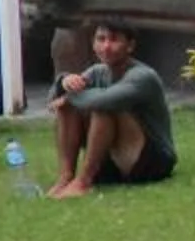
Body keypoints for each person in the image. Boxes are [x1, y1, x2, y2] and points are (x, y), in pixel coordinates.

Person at [48, 17, 178, 195]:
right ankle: (66, 177)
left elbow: (106, 100)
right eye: (101, 39)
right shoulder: (97, 71)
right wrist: (64, 82)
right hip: (114, 160)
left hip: (152, 162)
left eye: (114, 40)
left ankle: (83, 182)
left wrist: (68, 97)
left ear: (130, 46)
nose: (106, 46)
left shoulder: (143, 76)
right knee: (66, 109)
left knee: (104, 109)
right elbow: (54, 102)